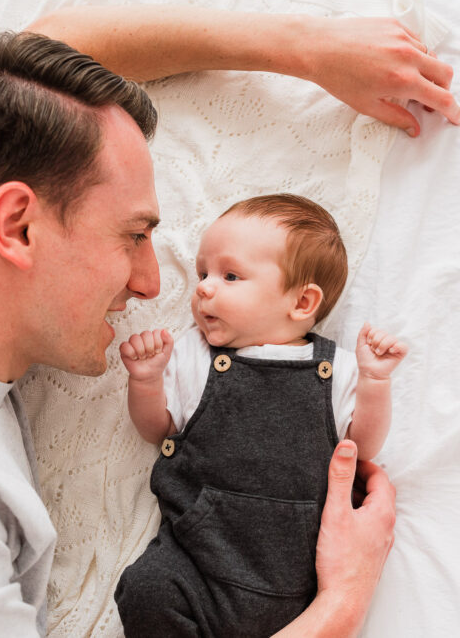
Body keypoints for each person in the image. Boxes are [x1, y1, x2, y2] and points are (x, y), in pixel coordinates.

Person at [0, 5, 460, 637]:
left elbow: (35, 64)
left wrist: (304, 49)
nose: (149, 280)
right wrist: (342, 603)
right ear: (18, 226)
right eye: (132, 235)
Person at [113, 194, 408, 636]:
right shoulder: (195, 354)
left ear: (303, 303)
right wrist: (147, 381)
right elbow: (158, 429)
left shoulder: (338, 369)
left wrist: (375, 382)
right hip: (198, 560)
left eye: (230, 275)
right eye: (203, 273)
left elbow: (362, 446)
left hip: (295, 576)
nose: (204, 287)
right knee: (144, 590)